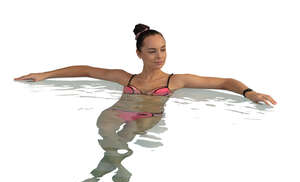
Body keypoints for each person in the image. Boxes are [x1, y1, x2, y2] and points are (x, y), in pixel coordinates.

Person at [14, 23, 277, 106]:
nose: (159, 56)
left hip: (146, 122)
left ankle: (109, 167)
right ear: (139, 54)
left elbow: (224, 81)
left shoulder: (175, 80)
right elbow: (86, 70)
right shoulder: (125, 78)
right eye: (151, 51)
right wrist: (43, 74)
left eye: (162, 50)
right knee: (106, 128)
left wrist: (249, 92)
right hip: (116, 115)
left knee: (130, 134)